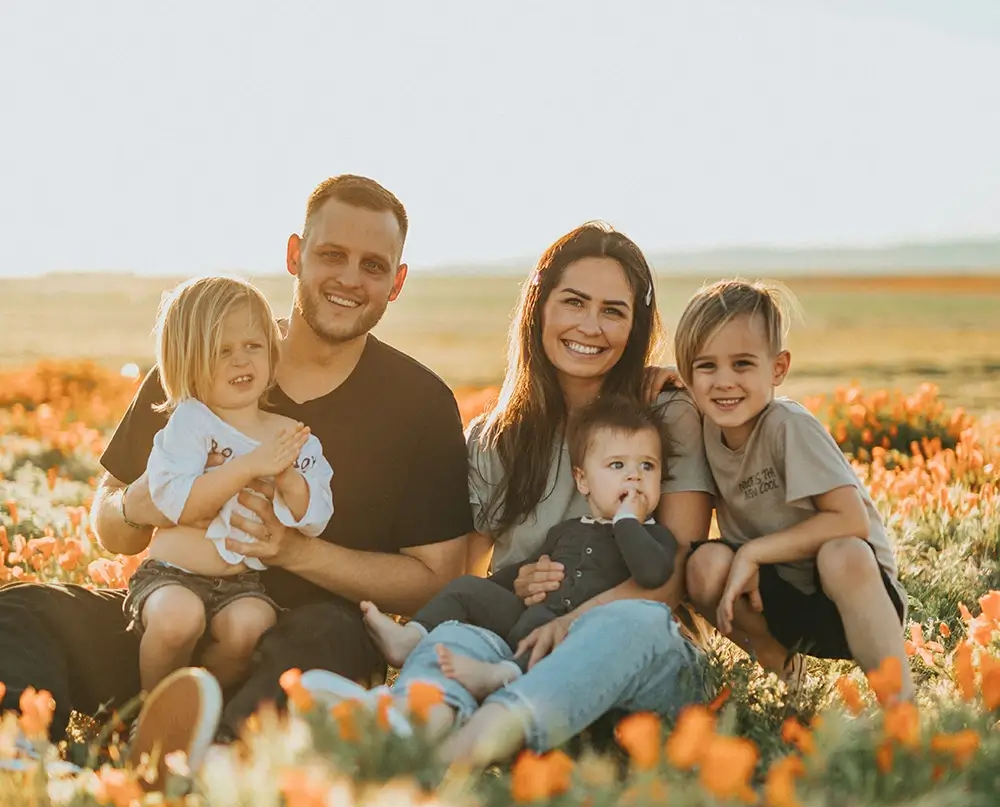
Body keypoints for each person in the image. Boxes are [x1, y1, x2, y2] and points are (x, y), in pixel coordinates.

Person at [0, 175, 472, 776]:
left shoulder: (420, 403)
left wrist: (293, 550)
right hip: (171, 621)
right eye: (332, 255)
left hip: (300, 646)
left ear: (397, 283)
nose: (350, 279)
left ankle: (204, 761)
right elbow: (111, 521)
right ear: (295, 255)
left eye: (373, 265)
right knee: (25, 610)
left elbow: (434, 580)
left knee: (328, 637)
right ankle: (20, 757)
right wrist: (142, 506)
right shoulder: (209, 355)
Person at [294, 221, 716, 768]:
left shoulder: (664, 416)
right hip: (521, 645)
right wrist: (512, 582)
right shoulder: (497, 438)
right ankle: (408, 729)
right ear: (539, 308)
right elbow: (460, 577)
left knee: (628, 623)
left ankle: (463, 753)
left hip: (635, 662)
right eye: (574, 302)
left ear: (635, 327)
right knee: (458, 634)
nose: (591, 325)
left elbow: (671, 578)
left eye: (614, 310)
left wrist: (572, 621)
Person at [674, 279, 914, 699]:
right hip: (777, 600)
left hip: (853, 600)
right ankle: (788, 680)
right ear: (687, 375)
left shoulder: (789, 426)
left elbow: (851, 520)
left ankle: (900, 708)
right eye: (707, 366)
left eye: (743, 364)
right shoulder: (704, 429)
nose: (724, 381)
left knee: (843, 553)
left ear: (778, 368)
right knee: (703, 564)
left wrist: (753, 551)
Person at [362, 394, 677, 699]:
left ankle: (502, 675)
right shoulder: (567, 531)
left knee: (546, 630)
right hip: (526, 617)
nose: (634, 477)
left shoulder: (655, 538)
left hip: (578, 635)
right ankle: (410, 638)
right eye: (617, 465)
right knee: (467, 588)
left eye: (648, 466)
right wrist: (511, 583)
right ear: (583, 481)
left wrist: (627, 522)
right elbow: (522, 570)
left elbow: (651, 573)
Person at [125, 275, 333, 694]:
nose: (241, 361)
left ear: (272, 353)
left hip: (241, 584)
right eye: (222, 351)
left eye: (252, 346)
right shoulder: (190, 422)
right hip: (171, 574)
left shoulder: (290, 433)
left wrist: (288, 481)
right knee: (178, 619)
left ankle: (199, 706)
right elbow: (178, 503)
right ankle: (147, 710)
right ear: (188, 361)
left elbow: (315, 517)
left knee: (252, 626)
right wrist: (252, 465)